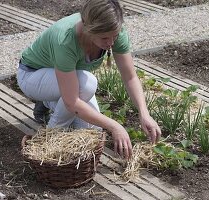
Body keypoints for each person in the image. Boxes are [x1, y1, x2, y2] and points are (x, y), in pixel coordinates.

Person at [16, 0, 161, 159]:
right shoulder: (65, 38)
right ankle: (51, 136)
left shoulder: (113, 30)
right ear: (87, 29)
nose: (111, 43)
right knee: (88, 84)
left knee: (91, 130)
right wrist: (114, 126)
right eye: (105, 38)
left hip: (65, 81)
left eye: (115, 36)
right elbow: (71, 102)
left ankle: (47, 103)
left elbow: (130, 77)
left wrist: (144, 113)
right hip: (32, 75)